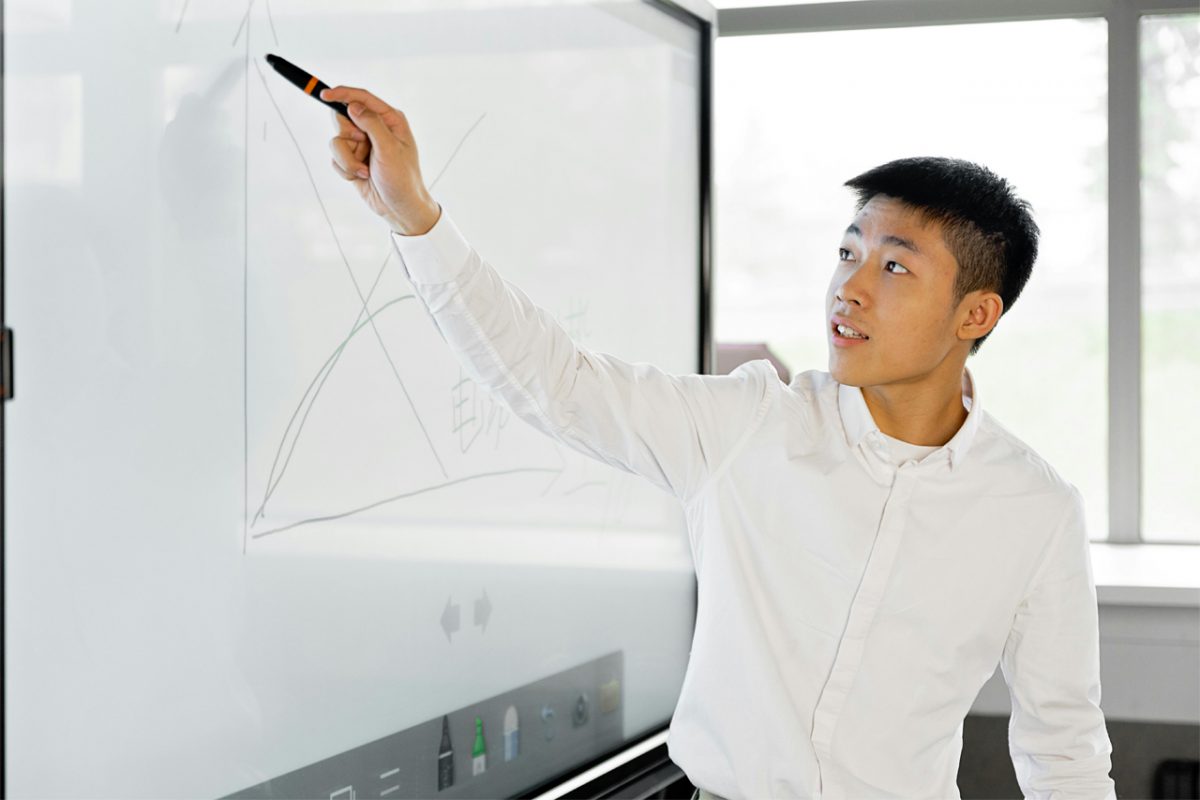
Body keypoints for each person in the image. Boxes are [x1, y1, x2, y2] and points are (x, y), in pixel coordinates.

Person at [320, 85, 1118, 800]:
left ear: (975, 315)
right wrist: (414, 215)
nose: (850, 287)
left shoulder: (1034, 511)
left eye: (895, 267)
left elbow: (1066, 753)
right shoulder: (752, 427)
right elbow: (553, 380)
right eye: (847, 253)